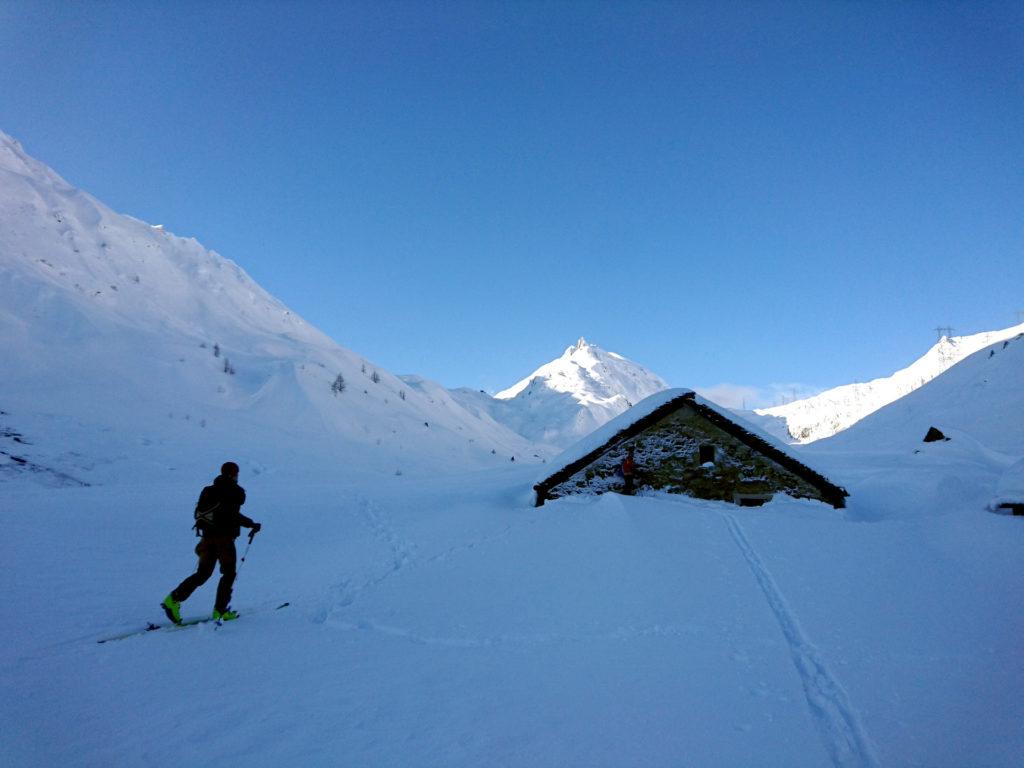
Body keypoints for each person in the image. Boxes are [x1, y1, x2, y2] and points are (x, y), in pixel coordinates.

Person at [161, 462, 261, 623]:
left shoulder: (209, 490)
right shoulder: (234, 491)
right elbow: (232, 515)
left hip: (207, 538)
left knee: (203, 574)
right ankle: (220, 612)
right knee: (228, 573)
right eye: (236, 473)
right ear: (233, 474)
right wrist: (251, 524)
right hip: (224, 540)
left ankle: (172, 600)